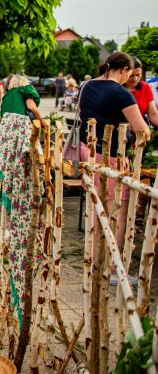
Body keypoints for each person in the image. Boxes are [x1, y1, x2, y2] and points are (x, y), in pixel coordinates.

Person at [78, 52, 149, 253]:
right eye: (130, 73)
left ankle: (92, 257)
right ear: (124, 69)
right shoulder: (121, 93)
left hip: (88, 151)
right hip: (110, 155)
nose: (130, 78)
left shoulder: (87, 86)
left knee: (95, 206)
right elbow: (141, 129)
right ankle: (112, 261)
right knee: (116, 210)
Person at [0, 75, 42, 323]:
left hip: (7, 138)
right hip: (22, 141)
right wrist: (43, 122)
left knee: (12, 181)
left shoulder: (8, 95)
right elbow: (32, 108)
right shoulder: (25, 92)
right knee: (24, 180)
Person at [125, 59, 158, 127]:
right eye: (131, 75)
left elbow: (153, 114)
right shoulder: (117, 89)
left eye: (138, 75)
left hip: (140, 130)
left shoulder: (145, 87)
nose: (135, 79)